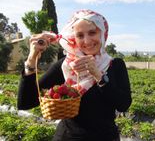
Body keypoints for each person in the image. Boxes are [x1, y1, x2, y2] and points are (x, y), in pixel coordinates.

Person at [17, 9, 132, 141]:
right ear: (74, 38)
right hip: (68, 136)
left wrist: (98, 75)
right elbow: (26, 102)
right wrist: (32, 59)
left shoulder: (115, 65)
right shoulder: (66, 66)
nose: (87, 41)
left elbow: (123, 104)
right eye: (80, 35)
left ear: (102, 33)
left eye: (92, 32)